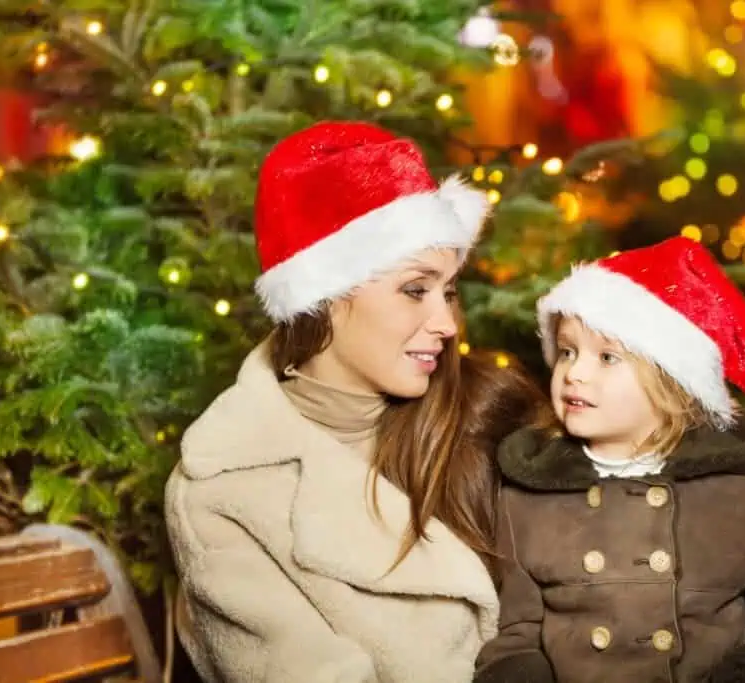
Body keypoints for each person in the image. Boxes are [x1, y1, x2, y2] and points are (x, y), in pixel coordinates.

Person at [165, 121, 500, 683]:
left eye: (448, 291)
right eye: (415, 289)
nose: (445, 323)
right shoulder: (222, 490)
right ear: (321, 298)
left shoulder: (483, 414)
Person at [474, 237, 745, 683]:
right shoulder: (529, 498)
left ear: (672, 383)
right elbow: (517, 630)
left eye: (607, 357)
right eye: (568, 351)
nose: (574, 372)